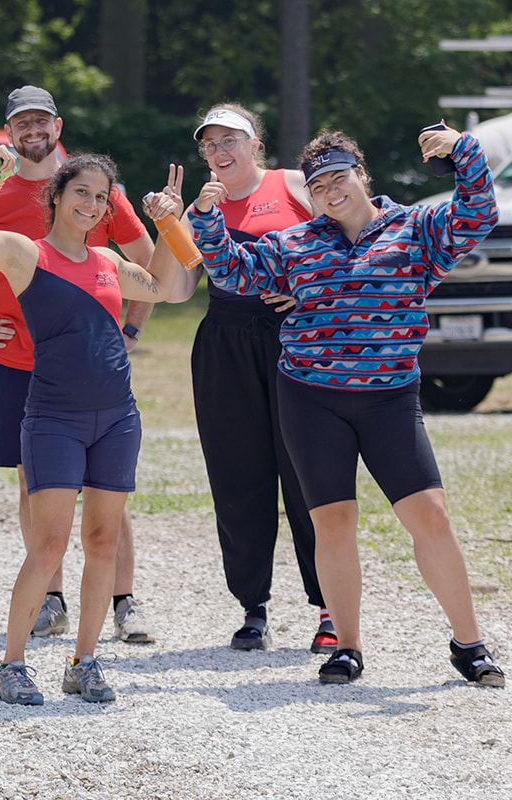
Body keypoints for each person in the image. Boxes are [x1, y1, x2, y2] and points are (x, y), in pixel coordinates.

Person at [190, 125, 506, 687]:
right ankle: (347, 647)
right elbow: (234, 272)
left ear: (361, 176)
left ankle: (469, 643)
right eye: (319, 185)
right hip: (311, 399)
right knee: (333, 522)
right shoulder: (297, 243)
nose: (332, 191)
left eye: (340, 177)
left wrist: (463, 152)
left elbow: (479, 212)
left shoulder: (417, 229)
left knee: (429, 515)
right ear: (309, 196)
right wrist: (208, 222)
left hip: (389, 399)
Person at [0, 85, 182, 645]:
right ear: (10, 132)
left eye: (42, 122)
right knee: (33, 484)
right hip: (19, 365)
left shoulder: (91, 189)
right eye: (23, 124)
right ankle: (52, 599)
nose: (33, 132)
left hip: (89, 366)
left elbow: (151, 271)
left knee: (105, 488)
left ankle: (124, 600)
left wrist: (132, 327)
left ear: (58, 127)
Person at [187, 103, 334, 653]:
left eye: (231, 140)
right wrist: (167, 223)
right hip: (225, 340)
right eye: (211, 144)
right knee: (237, 476)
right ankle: (253, 607)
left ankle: (330, 608)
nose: (221, 152)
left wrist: (311, 291)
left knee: (308, 473)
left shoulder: (294, 184)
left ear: (255, 144)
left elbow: (353, 238)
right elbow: (178, 287)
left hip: (294, 336)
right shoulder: (202, 206)